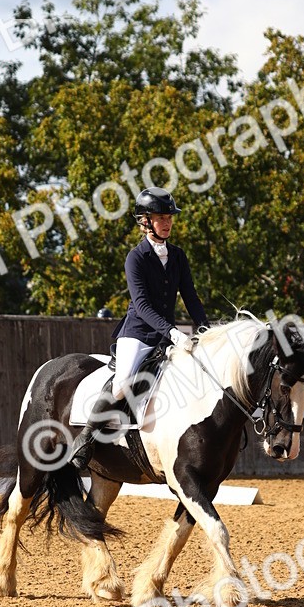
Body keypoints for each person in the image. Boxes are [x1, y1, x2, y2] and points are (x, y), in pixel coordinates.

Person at [70, 186, 209, 470]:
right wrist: (172, 332)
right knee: (123, 382)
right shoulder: (136, 258)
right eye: (161, 217)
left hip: (166, 335)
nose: (167, 222)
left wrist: (205, 329)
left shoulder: (178, 256)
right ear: (145, 221)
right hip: (137, 333)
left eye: (169, 217)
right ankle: (85, 439)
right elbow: (143, 306)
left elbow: (191, 297)